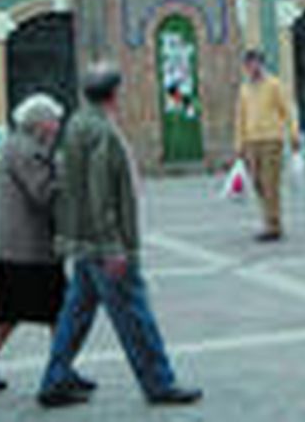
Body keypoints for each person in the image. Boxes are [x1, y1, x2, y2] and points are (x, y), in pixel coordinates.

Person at [37, 64, 201, 408]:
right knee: (134, 313)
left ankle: (54, 379)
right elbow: (102, 193)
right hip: (103, 243)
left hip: (83, 240)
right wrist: (113, 245)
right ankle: (159, 382)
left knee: (76, 312)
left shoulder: (78, 124)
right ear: (114, 94)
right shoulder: (101, 131)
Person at [0, 93, 70, 394]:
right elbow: (43, 193)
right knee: (58, 311)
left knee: (13, 313)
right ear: (39, 123)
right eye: (54, 121)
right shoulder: (26, 151)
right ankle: (60, 373)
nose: (58, 126)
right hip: (32, 249)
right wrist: (65, 172)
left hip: (20, 248)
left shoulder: (24, 146)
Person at [232, 50, 300, 242]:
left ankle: (273, 225)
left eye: (256, 64)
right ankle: (269, 219)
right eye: (249, 65)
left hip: (272, 139)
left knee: (271, 184)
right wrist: (239, 144)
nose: (252, 68)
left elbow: (288, 110)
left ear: (262, 64)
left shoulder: (274, 85)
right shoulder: (244, 89)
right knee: (257, 183)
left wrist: (293, 134)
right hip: (252, 141)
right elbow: (240, 118)